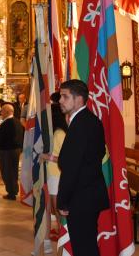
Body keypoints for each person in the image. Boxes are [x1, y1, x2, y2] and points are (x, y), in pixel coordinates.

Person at [57, 79, 109, 256]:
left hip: (82, 197)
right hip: (88, 193)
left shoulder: (81, 124)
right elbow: (97, 154)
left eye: (65, 96)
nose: (60, 100)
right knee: (86, 245)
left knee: (84, 248)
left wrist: (63, 200)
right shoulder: (87, 120)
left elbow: (72, 167)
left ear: (79, 99)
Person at [41, 91, 68, 241]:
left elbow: (66, 159)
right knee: (53, 205)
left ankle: (62, 230)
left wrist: (47, 157)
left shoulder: (60, 134)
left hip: (57, 174)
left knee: (58, 205)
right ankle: (58, 228)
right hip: (52, 173)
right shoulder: (56, 133)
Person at [0, 103, 21, 200]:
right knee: (13, 171)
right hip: (15, 150)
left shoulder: (7, 123)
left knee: (7, 172)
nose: (1, 113)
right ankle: (13, 190)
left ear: (6, 112)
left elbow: (2, 138)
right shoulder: (17, 121)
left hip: (7, 151)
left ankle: (11, 193)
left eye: (1, 111)